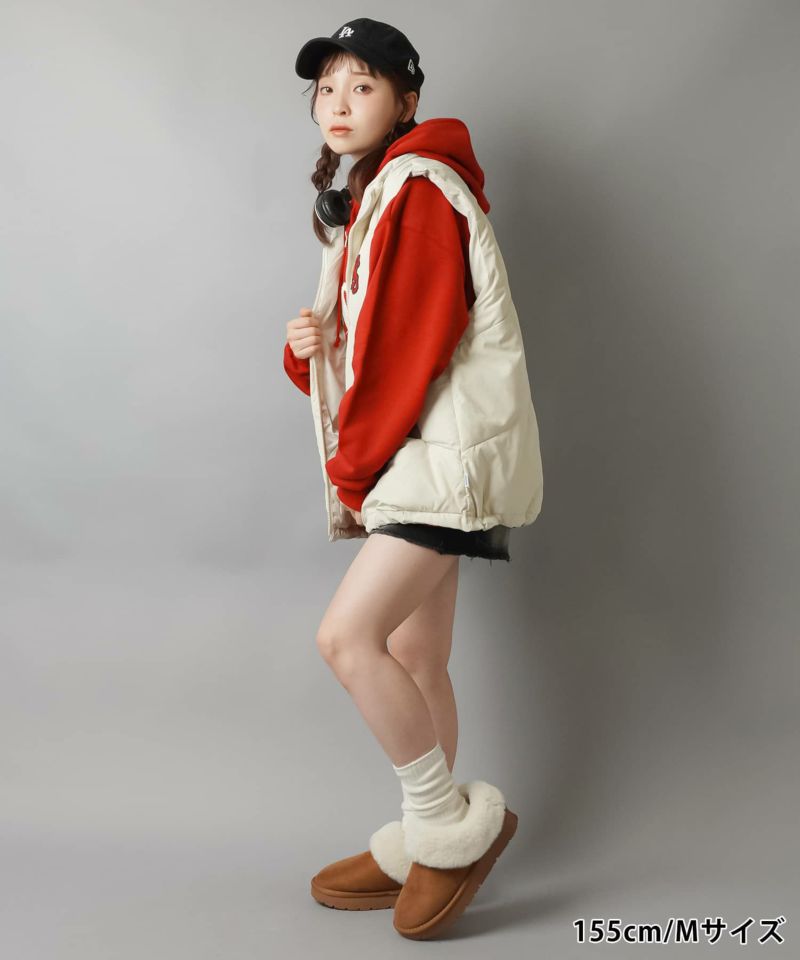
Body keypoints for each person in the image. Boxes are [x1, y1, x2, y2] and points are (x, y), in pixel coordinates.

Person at [284, 18, 543, 940]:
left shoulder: (420, 189)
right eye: (326, 88)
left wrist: (354, 468)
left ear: (406, 102)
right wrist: (308, 349)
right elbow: (371, 350)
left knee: (347, 639)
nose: (338, 103)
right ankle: (424, 841)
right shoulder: (380, 193)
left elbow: (408, 354)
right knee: (416, 656)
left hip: (436, 464)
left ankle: (447, 827)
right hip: (428, 458)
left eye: (362, 85)